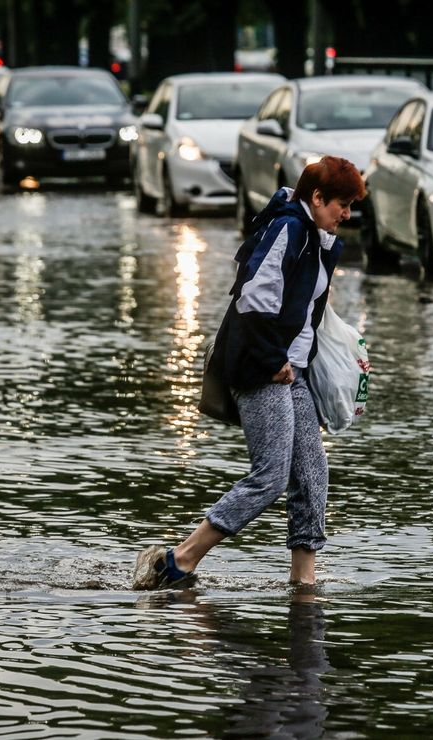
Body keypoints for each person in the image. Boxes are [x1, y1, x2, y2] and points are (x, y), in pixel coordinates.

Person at [133, 155, 365, 590]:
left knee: (313, 474)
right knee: (271, 476)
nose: (347, 215)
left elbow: (309, 308)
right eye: (342, 204)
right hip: (260, 369)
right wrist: (272, 358)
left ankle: (303, 581)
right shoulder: (289, 229)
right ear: (317, 197)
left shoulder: (317, 237)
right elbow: (252, 296)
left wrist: (334, 357)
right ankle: (179, 558)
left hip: (291, 370)